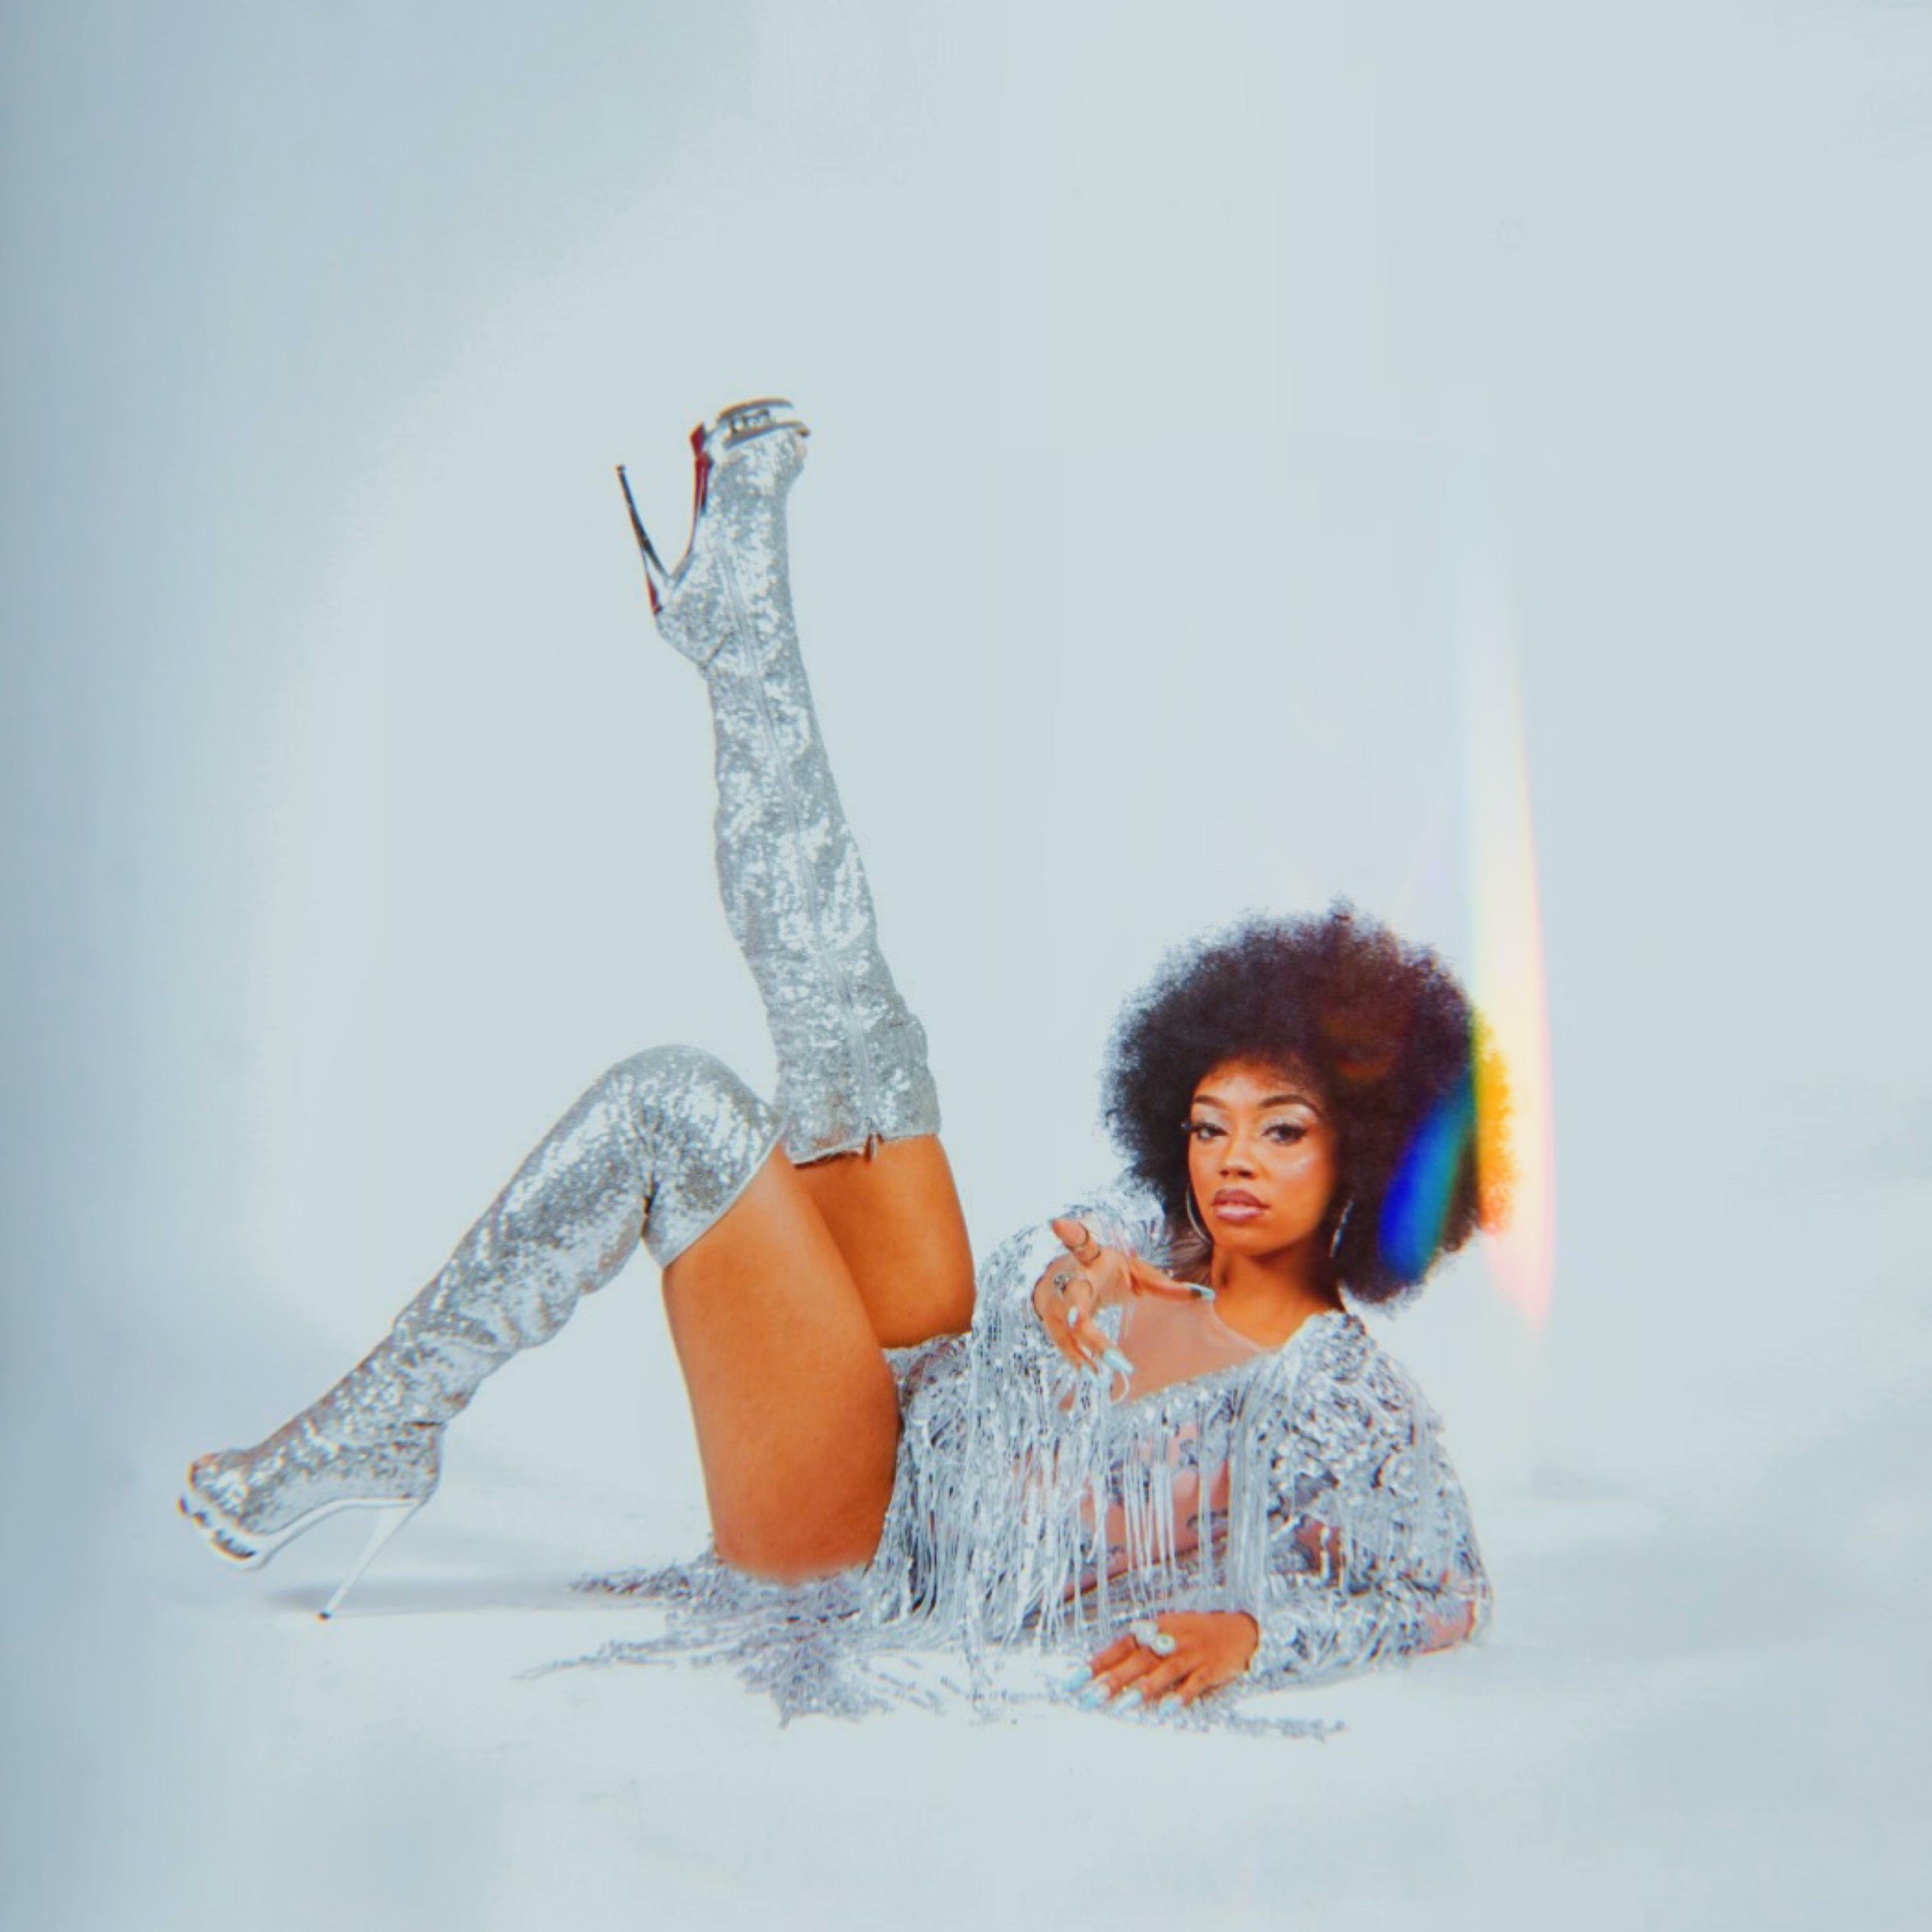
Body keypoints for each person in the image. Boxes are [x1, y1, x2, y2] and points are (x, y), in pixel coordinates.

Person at [180, 397, 1503, 1727]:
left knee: (678, 1109)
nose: (1231, 1161)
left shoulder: (1341, 1389)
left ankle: (383, 1425)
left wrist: (1252, 1633)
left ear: (1364, 1152)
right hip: (908, 1400)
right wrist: (1073, 1281)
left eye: (1282, 1130)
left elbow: (1444, 1592)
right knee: (857, 1033)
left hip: (865, 1540)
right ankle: (734, 622)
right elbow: (1032, 1306)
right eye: (1210, 1125)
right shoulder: (1148, 1235)